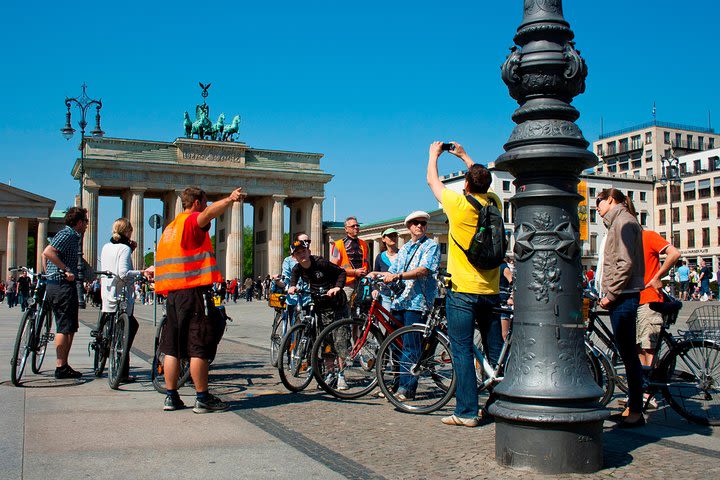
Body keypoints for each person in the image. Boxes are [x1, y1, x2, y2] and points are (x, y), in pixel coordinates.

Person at [427, 140, 503, 427]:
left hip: (462, 289)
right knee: (494, 349)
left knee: (460, 348)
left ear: (466, 186)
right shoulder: (494, 203)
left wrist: (434, 154)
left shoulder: (458, 203)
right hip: (491, 289)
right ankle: (497, 405)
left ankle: (467, 411)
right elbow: (483, 180)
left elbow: (432, 180)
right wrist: (465, 156)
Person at [154, 186, 243, 413]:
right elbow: (209, 214)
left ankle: (171, 396)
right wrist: (230, 199)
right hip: (193, 292)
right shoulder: (192, 221)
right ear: (195, 203)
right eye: (203, 202)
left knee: (172, 348)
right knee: (198, 347)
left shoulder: (170, 228)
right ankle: (202, 398)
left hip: (172, 294)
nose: (204, 206)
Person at [596, 188, 645, 428]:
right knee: (626, 353)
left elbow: (625, 263)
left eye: (599, 200)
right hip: (622, 295)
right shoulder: (619, 221)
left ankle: (636, 410)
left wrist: (610, 294)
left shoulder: (624, 222)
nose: (597, 206)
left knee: (628, 355)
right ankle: (632, 406)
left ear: (611, 200)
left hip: (623, 296)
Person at [378, 211, 440, 401]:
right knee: (395, 346)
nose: (419, 226)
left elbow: (423, 270)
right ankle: (395, 384)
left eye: (423, 223)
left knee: (411, 346)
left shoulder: (431, 246)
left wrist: (398, 276)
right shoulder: (405, 248)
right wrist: (375, 275)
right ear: (409, 227)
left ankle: (407, 388)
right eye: (415, 223)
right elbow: (393, 270)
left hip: (417, 303)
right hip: (399, 301)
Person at [288, 238, 349, 388]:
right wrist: (292, 287)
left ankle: (341, 375)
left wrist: (337, 288)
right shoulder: (297, 268)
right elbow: (293, 280)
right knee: (325, 342)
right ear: (294, 257)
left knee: (340, 340)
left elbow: (341, 272)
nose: (301, 254)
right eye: (297, 253)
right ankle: (330, 373)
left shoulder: (320, 262)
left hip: (337, 304)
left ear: (308, 251)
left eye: (303, 251)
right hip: (320, 306)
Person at [100, 218, 152, 382]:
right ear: (128, 232)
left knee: (112, 327)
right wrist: (141, 272)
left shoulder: (106, 246)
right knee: (129, 327)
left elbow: (113, 264)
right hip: (120, 295)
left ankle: (105, 353)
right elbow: (123, 273)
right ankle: (121, 368)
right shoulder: (124, 248)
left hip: (107, 292)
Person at [42, 207, 88, 379]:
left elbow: (44, 253)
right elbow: (48, 252)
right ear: (78, 222)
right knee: (64, 327)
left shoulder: (70, 235)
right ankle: (61, 366)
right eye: (85, 222)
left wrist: (49, 272)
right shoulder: (68, 234)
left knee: (68, 326)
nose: (86, 226)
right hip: (62, 286)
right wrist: (65, 269)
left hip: (56, 284)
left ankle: (64, 364)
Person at [637, 229, 680, 369]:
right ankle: (645, 382)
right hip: (633, 300)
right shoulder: (626, 241)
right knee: (638, 347)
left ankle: (650, 387)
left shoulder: (647, 236)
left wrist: (657, 276)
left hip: (649, 299)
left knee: (649, 348)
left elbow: (674, 253)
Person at [331, 216, 370, 306]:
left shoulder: (364, 244)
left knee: (361, 310)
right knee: (345, 309)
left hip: (362, 283)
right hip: (346, 284)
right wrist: (354, 272)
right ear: (346, 229)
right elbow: (334, 268)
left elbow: (367, 263)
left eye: (357, 225)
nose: (356, 227)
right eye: (353, 226)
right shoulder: (339, 245)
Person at [372, 227, 400, 311]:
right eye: (390, 236)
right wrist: (374, 289)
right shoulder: (380, 257)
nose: (393, 237)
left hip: (400, 294)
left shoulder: (402, 255)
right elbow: (375, 275)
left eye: (395, 235)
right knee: (384, 321)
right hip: (385, 294)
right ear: (383, 239)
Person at [499, 257, 513, 340]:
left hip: (503, 304)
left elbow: (513, 283)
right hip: (496, 302)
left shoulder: (503, 267)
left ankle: (506, 352)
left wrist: (511, 297)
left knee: (504, 335)